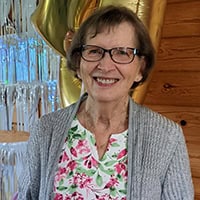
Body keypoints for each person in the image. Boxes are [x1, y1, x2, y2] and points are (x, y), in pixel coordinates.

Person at [17, 5, 194, 200]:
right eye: (94, 51)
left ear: (140, 69)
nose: (106, 65)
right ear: (78, 64)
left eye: (122, 53)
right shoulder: (46, 130)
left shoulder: (167, 137)